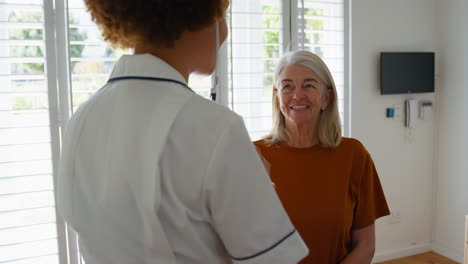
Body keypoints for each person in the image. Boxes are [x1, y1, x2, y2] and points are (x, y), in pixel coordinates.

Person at [56, 1, 309, 263]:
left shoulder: (81, 121)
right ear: (196, 16)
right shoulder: (215, 128)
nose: (224, 32)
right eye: (222, 16)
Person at [254, 50, 390, 264]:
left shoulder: (354, 155)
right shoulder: (254, 156)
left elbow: (365, 246)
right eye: (287, 86)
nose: (297, 95)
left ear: (326, 98)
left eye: (308, 85)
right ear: (277, 97)